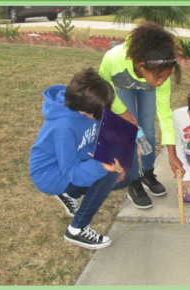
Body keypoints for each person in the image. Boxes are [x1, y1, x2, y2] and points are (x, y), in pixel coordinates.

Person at [29, 67, 132, 250]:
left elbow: (94, 143)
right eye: (100, 111)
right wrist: (102, 166)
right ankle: (77, 229)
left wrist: (115, 159)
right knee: (108, 175)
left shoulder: (87, 111)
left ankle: (69, 194)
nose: (103, 115)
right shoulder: (64, 126)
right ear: (86, 107)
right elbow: (71, 171)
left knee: (124, 178)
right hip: (50, 174)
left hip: (72, 161)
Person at [99, 21, 184, 210]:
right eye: (159, 77)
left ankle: (147, 173)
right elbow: (103, 87)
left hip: (146, 87)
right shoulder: (113, 59)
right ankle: (134, 181)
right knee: (129, 132)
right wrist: (122, 110)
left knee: (148, 130)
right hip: (120, 87)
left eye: (166, 77)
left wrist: (172, 154)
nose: (162, 82)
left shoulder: (160, 78)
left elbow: (164, 114)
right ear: (142, 66)